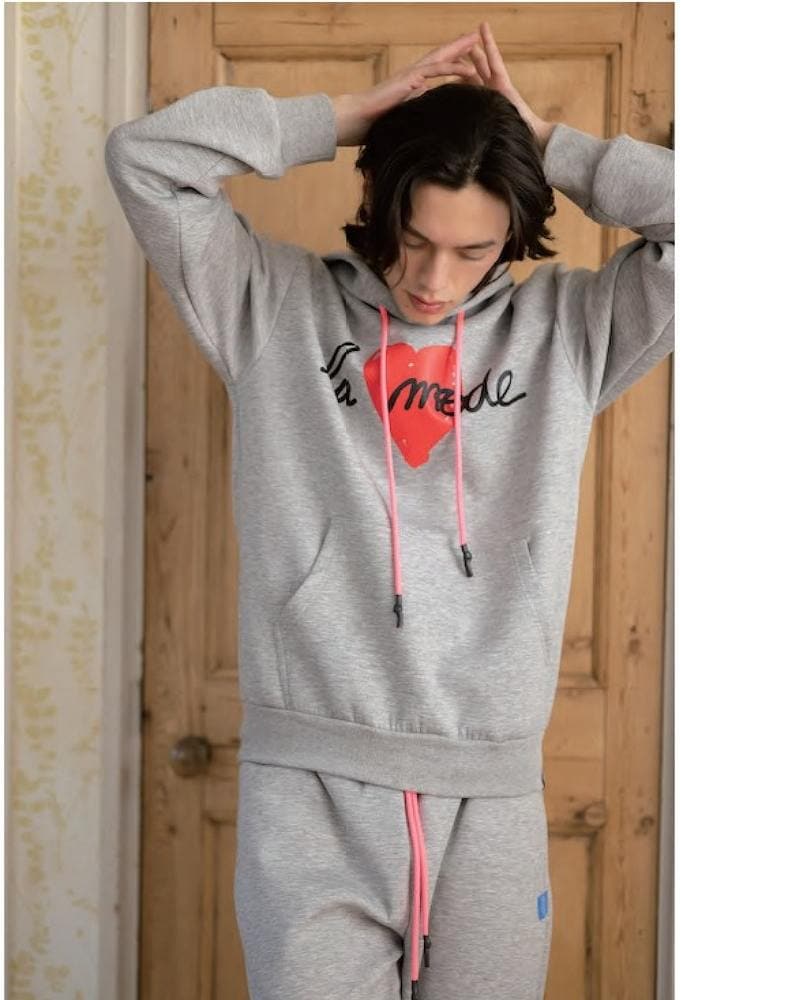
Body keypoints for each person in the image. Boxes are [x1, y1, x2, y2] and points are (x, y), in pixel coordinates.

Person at [104, 20, 673, 1000]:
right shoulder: (270, 307)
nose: (431, 280)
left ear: (511, 237)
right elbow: (143, 160)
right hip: (309, 792)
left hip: (490, 795)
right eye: (415, 240)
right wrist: (346, 118)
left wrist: (545, 145)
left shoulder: (569, 333)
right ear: (381, 205)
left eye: (470, 251)